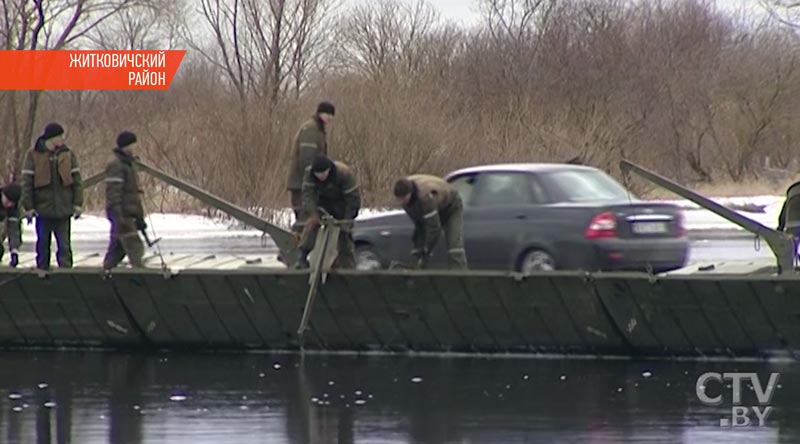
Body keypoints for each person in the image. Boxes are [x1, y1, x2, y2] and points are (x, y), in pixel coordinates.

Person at [20, 122, 84, 270]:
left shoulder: (68, 154)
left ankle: (67, 276)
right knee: (42, 245)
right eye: (60, 136)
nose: (62, 139)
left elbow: (77, 181)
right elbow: (26, 183)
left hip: (63, 209)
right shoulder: (33, 155)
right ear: (51, 138)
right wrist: (28, 206)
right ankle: (42, 275)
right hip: (43, 209)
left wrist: (77, 203)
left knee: (65, 247)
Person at [294, 155, 360, 269]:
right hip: (322, 204)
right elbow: (307, 196)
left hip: (342, 205)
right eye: (317, 174)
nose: (320, 177)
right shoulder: (309, 174)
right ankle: (302, 257)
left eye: (323, 173)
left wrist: (347, 220)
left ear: (329, 170)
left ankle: (348, 265)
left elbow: (353, 201)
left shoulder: (344, 174)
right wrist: (313, 214)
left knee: (344, 235)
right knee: (311, 225)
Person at [393, 175, 467, 269]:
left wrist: (426, 251)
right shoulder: (405, 200)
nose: (402, 202)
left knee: (454, 247)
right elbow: (419, 225)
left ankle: (460, 277)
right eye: (399, 199)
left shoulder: (425, 197)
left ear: (410, 193)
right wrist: (417, 251)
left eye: (404, 199)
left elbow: (434, 229)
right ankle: (416, 274)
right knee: (419, 244)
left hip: (450, 206)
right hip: (434, 205)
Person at [286, 101, 335, 235]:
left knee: (307, 218)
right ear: (320, 113)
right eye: (327, 114)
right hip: (301, 183)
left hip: (305, 182)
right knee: (305, 219)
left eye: (331, 115)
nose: (330, 118)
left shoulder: (317, 129)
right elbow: (307, 159)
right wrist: (313, 180)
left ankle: (297, 250)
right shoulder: (311, 129)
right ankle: (289, 251)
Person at [103, 131, 146, 270]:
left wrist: (139, 216)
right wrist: (117, 214)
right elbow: (113, 192)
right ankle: (142, 277)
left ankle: (106, 273)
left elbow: (133, 193)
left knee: (117, 248)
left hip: (129, 213)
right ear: (126, 146)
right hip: (122, 214)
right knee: (135, 247)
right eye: (132, 145)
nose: (134, 148)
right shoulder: (116, 165)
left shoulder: (129, 163)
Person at [0, 183, 22, 267]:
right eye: (7, 201)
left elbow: (14, 230)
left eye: (11, 203)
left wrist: (14, 252)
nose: (8, 205)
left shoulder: (14, 209)